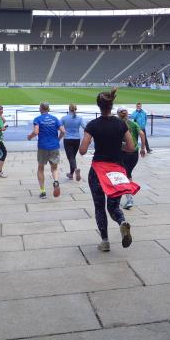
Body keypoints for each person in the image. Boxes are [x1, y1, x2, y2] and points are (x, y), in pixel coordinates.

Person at [79, 89, 135, 252]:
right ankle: (122, 222)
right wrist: (117, 146)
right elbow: (131, 147)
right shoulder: (121, 124)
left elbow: (82, 150)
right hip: (117, 170)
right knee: (113, 206)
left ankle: (105, 241)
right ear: (111, 105)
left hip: (98, 170)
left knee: (99, 206)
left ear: (99, 105)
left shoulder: (93, 125)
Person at [27, 102, 65, 199]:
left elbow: (36, 132)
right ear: (48, 109)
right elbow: (63, 131)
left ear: (40, 109)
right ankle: (56, 181)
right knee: (54, 168)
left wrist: (30, 136)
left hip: (43, 146)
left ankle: (43, 191)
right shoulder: (55, 119)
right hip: (54, 146)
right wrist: (58, 139)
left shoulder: (38, 119)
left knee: (40, 168)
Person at [118, 106, 146, 209]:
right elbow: (142, 134)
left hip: (123, 152)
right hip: (134, 153)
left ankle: (128, 198)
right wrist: (142, 148)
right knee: (127, 174)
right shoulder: (133, 124)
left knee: (124, 175)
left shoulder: (117, 124)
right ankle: (127, 196)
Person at [61, 104, 85, 181]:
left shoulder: (64, 118)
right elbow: (85, 127)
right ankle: (71, 174)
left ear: (69, 109)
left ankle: (75, 169)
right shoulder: (80, 118)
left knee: (70, 157)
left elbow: (59, 127)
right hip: (77, 139)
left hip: (67, 139)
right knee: (73, 157)